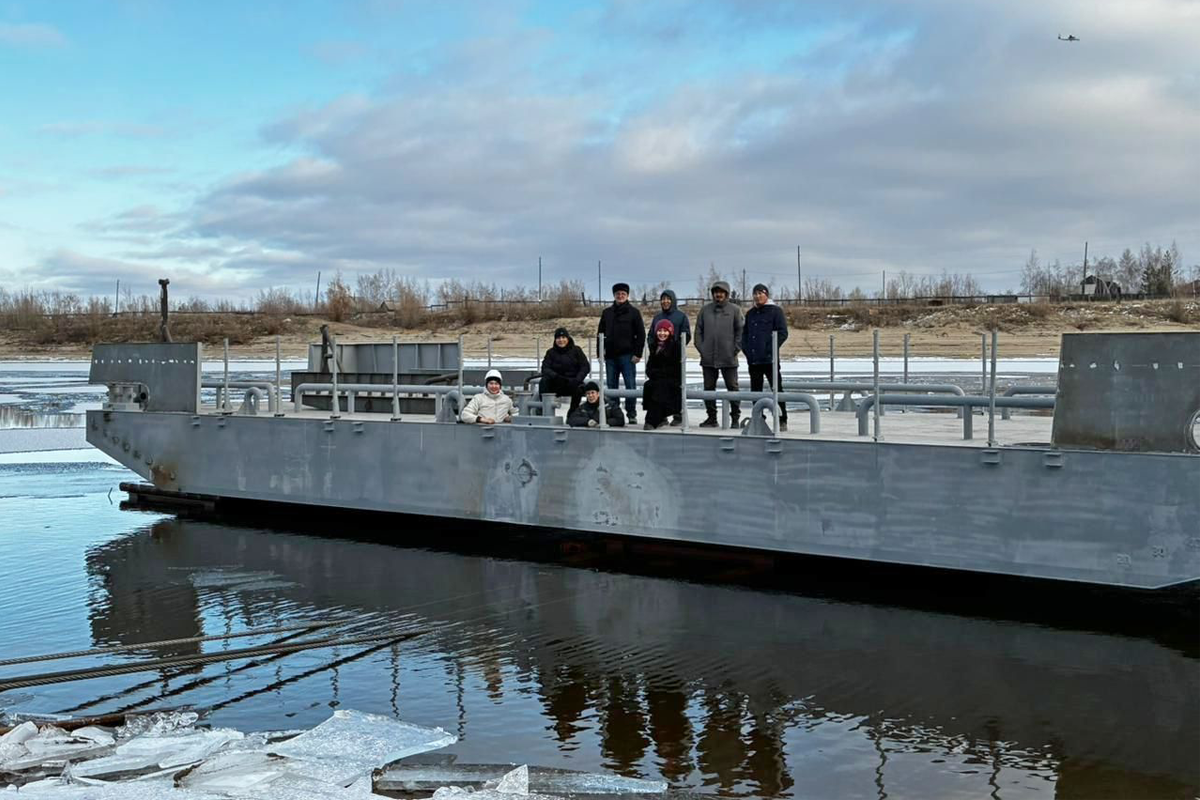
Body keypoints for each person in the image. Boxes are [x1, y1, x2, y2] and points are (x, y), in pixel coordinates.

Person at [694, 280, 743, 427]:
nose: (718, 295)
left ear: (726, 294)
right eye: (716, 292)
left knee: (733, 388)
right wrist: (702, 349)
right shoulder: (705, 310)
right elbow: (698, 331)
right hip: (708, 358)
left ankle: (735, 418)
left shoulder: (735, 310)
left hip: (729, 358)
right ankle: (711, 418)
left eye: (721, 292)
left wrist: (734, 349)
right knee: (708, 389)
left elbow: (740, 331)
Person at [741, 283, 790, 430]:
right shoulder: (750, 314)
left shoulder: (775, 311)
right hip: (754, 360)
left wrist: (771, 349)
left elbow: (783, 333)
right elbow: (745, 335)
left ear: (766, 295)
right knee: (755, 390)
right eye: (755, 294)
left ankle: (782, 419)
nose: (757, 296)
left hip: (770, 360)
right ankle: (758, 417)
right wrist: (747, 350)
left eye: (760, 293)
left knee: (777, 389)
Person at [596, 282, 645, 424]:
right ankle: (615, 413)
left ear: (627, 295)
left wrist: (638, 353)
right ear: (614, 295)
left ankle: (631, 413)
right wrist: (600, 352)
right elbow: (600, 333)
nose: (620, 296)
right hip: (610, 356)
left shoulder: (634, 313)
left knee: (630, 386)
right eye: (618, 294)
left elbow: (640, 335)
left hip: (628, 356)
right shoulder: (607, 313)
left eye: (623, 294)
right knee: (612, 387)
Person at [650, 289, 691, 426]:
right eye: (663, 299)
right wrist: (655, 349)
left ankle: (678, 415)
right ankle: (661, 416)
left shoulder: (681, 316)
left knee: (676, 387)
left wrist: (675, 348)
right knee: (658, 386)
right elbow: (651, 336)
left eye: (668, 299)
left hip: (675, 358)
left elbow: (686, 335)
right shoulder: (657, 318)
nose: (665, 301)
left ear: (673, 300)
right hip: (659, 357)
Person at [642, 319, 683, 429]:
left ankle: (651, 421)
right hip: (658, 379)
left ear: (670, 332)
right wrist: (656, 373)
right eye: (659, 330)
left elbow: (675, 369)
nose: (662, 333)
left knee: (660, 388)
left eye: (665, 331)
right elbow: (649, 368)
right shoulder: (655, 346)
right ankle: (659, 418)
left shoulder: (676, 346)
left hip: (672, 380)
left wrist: (659, 373)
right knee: (648, 385)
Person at [539, 327, 590, 413]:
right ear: (555, 340)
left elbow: (585, 366)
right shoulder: (551, 352)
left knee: (579, 389)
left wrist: (578, 379)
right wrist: (556, 377)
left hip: (573, 382)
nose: (561, 340)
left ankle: (572, 413)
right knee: (543, 382)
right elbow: (545, 368)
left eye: (563, 338)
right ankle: (544, 411)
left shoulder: (576, 350)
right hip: (557, 382)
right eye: (558, 338)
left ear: (568, 338)